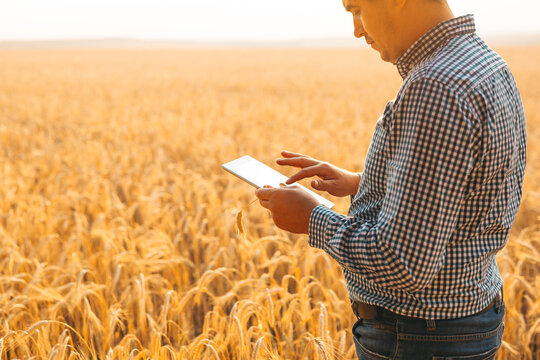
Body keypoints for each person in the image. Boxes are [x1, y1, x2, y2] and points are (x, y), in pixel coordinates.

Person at [254, 0, 527, 358]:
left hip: (419, 336)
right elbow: (467, 183)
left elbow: (403, 263)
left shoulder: (435, 86)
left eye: (357, 9)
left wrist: (312, 218)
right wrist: (363, 182)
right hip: (463, 319)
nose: (356, 29)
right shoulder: (483, 63)